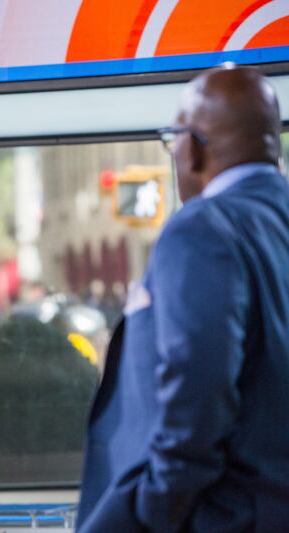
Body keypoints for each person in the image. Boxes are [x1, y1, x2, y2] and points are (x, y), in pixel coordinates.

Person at [77, 66, 289, 532]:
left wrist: (156, 508)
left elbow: (200, 382)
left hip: (223, 512)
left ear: (191, 147)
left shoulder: (202, 228)